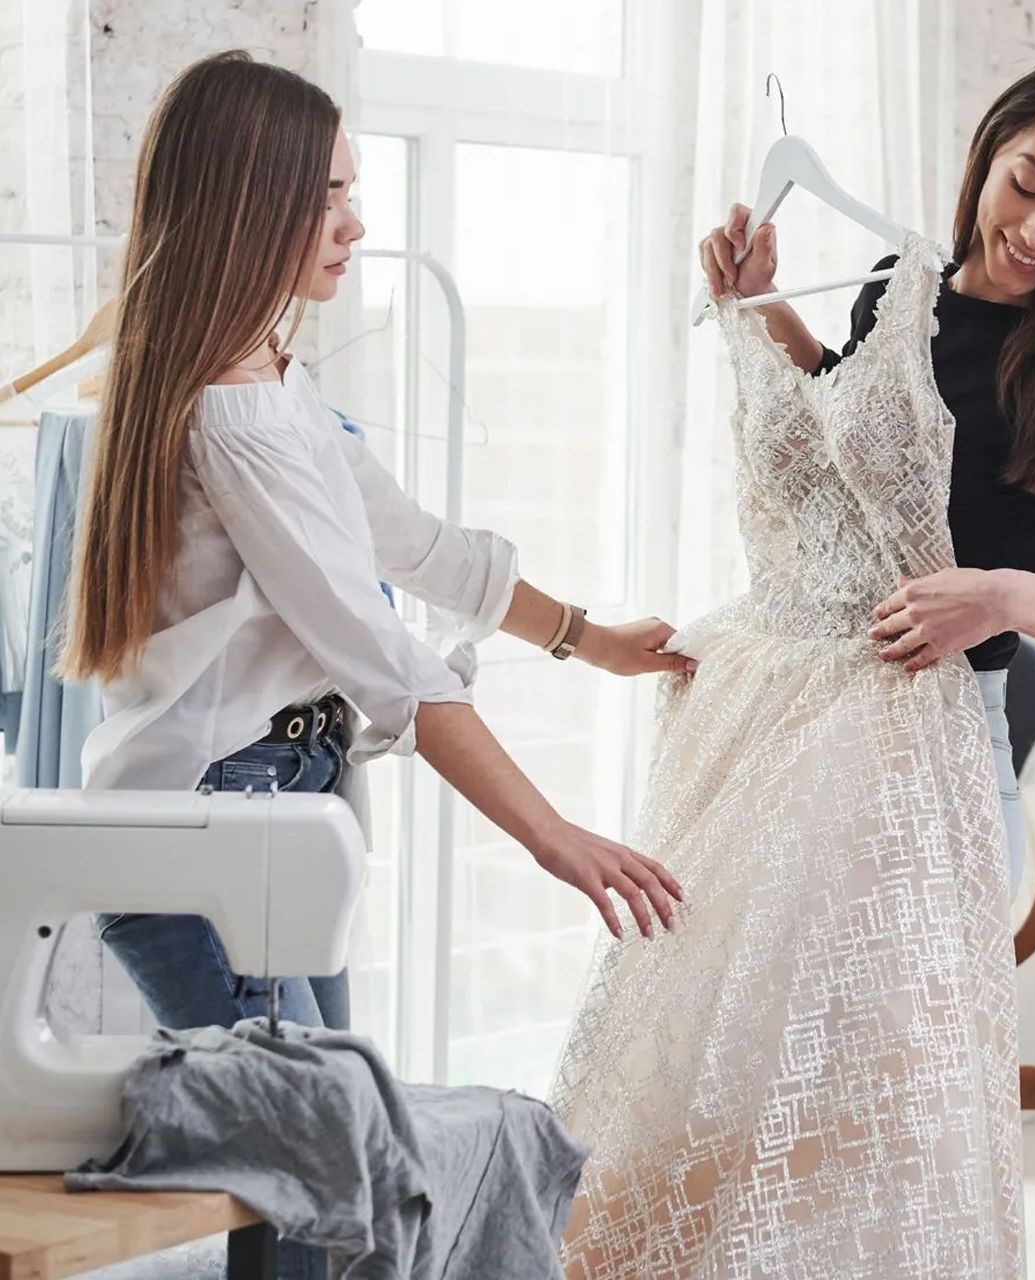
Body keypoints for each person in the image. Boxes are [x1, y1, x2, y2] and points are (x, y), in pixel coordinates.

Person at [61, 47, 685, 1091]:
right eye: (330, 194)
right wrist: (554, 835)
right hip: (214, 826)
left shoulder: (270, 379)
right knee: (323, 1160)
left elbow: (417, 544)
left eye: (355, 189)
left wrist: (591, 638)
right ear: (247, 204)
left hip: (272, 812)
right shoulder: (235, 416)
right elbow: (382, 655)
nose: (357, 224)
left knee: (320, 1173)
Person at [700, 40, 1035, 893]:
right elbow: (860, 448)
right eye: (1028, 186)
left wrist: (1003, 597)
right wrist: (765, 303)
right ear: (989, 151)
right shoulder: (897, 289)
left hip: (940, 757)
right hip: (800, 729)